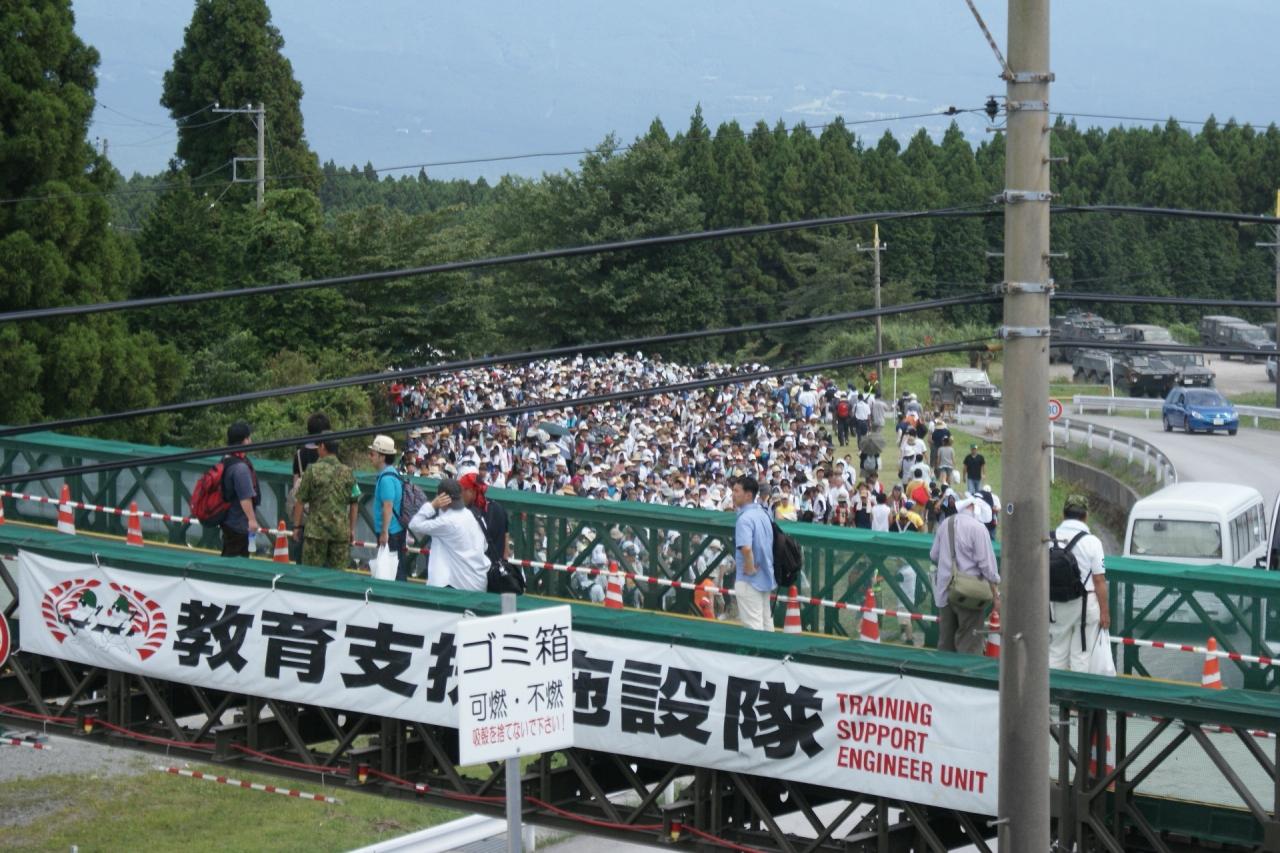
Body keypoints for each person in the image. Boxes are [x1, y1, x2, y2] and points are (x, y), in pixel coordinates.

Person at [930, 496, 1001, 654]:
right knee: (970, 643)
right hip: (970, 594)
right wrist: (996, 592)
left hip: (945, 591)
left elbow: (934, 555)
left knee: (946, 644)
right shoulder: (978, 529)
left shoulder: (946, 523)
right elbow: (987, 567)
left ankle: (944, 669)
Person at [1049, 494, 1111, 673]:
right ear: (1085, 516)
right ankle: (1076, 692)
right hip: (1085, 605)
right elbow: (1099, 580)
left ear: (1063, 514)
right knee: (1082, 655)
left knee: (1055, 653)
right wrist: (1105, 612)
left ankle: (1052, 689)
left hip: (1055, 604)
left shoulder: (1049, 538)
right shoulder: (1092, 542)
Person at [408, 478, 490, 591]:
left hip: (458, 586)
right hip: (479, 583)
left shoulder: (447, 522)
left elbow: (414, 524)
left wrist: (432, 505)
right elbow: (485, 547)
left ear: (441, 499)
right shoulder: (476, 517)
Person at [292, 438, 358, 570]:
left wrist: (297, 527)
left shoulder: (312, 470)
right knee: (337, 575)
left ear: (322, 446)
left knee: (311, 574)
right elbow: (354, 503)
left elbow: (300, 501)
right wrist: (351, 529)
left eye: (318, 446)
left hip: (315, 533)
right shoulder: (348, 472)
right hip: (340, 533)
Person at [731, 475, 776, 631]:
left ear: (748, 495)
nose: (733, 494)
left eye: (737, 491)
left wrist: (749, 568)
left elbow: (746, 548)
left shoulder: (744, 519)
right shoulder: (764, 513)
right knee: (767, 623)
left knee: (753, 627)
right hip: (766, 574)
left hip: (749, 580)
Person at [288, 412, 331, 563]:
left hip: (304, 515)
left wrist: (296, 525)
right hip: (324, 515)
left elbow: (296, 485)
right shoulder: (328, 453)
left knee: (302, 556)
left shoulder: (300, 453)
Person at [368, 434, 410, 580]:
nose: (370, 457)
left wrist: (384, 532)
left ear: (382, 457)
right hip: (396, 529)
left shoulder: (386, 479)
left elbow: (387, 506)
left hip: (390, 532)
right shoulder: (393, 473)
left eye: (372, 454)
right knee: (395, 567)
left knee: (392, 570)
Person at [220, 420, 261, 557]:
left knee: (229, 554)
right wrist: (252, 520)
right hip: (239, 524)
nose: (250, 441)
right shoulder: (240, 468)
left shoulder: (226, 458)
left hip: (228, 520)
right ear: (243, 441)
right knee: (235, 561)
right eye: (248, 438)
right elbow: (245, 497)